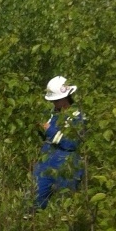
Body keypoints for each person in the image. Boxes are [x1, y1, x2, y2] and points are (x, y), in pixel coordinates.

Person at [33, 75, 85, 210]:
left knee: (66, 210)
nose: (54, 103)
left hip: (68, 165)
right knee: (32, 203)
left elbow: (72, 143)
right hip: (45, 165)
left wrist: (49, 130)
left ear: (65, 97)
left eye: (56, 100)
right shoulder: (49, 114)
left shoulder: (78, 116)